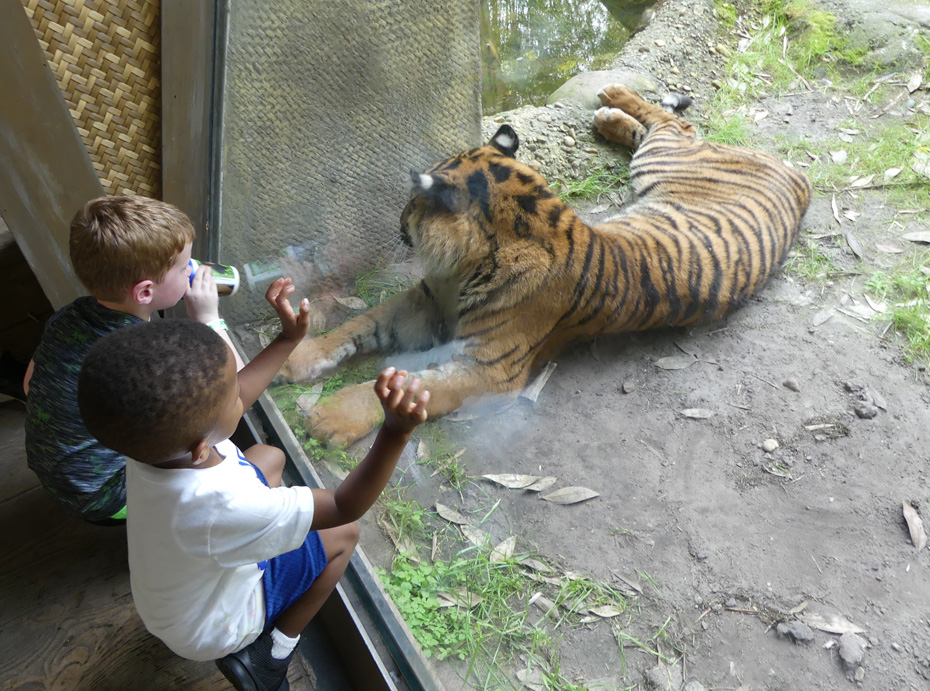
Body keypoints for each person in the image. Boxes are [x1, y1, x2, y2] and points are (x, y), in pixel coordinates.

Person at [76, 286, 429, 691]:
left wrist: (288, 339)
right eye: (231, 396)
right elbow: (345, 506)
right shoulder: (222, 504)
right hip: (217, 627)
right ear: (200, 447)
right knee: (343, 537)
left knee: (269, 455)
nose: (241, 392)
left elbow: (231, 402)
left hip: (173, 600)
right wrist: (395, 433)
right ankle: (271, 655)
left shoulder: (148, 446)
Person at [24, 195, 242, 524]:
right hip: (105, 495)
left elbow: (30, 385)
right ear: (144, 293)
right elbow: (235, 386)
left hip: (58, 470)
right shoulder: (142, 355)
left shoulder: (70, 316)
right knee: (219, 452)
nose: (193, 271)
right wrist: (209, 318)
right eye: (184, 268)